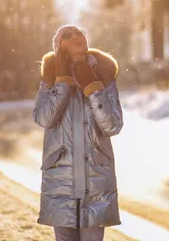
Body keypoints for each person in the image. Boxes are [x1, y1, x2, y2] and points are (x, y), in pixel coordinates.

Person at [32, 25, 124, 241]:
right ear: (59, 46)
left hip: (96, 182)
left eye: (80, 34)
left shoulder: (103, 74)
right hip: (59, 182)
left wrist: (93, 87)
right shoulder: (50, 77)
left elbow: (113, 125)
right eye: (67, 36)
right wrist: (62, 82)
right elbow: (43, 118)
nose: (75, 37)